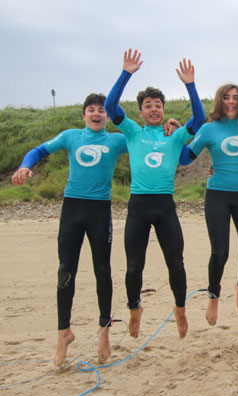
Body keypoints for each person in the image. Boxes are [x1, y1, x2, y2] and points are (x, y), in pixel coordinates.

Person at [12, 93, 127, 366]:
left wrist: (170, 130)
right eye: (91, 110)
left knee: (103, 270)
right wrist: (25, 165)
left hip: (100, 209)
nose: (97, 113)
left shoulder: (117, 140)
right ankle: (64, 333)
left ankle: (104, 331)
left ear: (108, 116)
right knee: (66, 270)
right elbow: (38, 150)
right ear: (83, 115)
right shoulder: (70, 136)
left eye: (101, 110)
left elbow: (148, 144)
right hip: (72, 209)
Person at [104, 49, 205, 339]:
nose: (154, 109)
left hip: (165, 206)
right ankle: (135, 310)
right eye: (148, 105)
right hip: (138, 206)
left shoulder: (175, 137)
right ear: (141, 112)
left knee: (176, 262)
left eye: (158, 105)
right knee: (135, 265)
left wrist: (190, 84)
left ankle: (180, 311)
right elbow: (111, 107)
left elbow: (198, 119)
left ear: (163, 109)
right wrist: (126, 73)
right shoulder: (133, 132)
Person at [179, 83, 238, 326]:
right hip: (218, 196)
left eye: (236, 98)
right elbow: (185, 158)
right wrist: (175, 136)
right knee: (220, 252)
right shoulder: (209, 128)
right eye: (227, 97)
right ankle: (213, 296)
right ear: (219, 100)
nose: (231, 101)